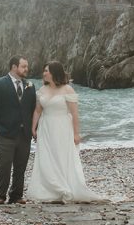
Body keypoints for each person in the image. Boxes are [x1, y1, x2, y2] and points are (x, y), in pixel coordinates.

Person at [25, 61, 104, 203]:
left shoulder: (67, 90)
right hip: (46, 127)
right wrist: (33, 127)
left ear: (55, 72)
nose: (44, 73)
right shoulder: (42, 90)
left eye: (47, 71)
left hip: (62, 127)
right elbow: (38, 110)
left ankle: (64, 186)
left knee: (61, 156)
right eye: (44, 71)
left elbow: (74, 114)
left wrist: (76, 134)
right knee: (46, 156)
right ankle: (50, 189)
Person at [0, 56, 36, 205]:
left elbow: (33, 109)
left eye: (27, 66)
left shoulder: (30, 85)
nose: (26, 69)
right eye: (23, 66)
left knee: (21, 166)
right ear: (14, 67)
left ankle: (16, 195)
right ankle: (0, 195)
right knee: (4, 165)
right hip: (5, 133)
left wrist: (33, 129)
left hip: (24, 134)